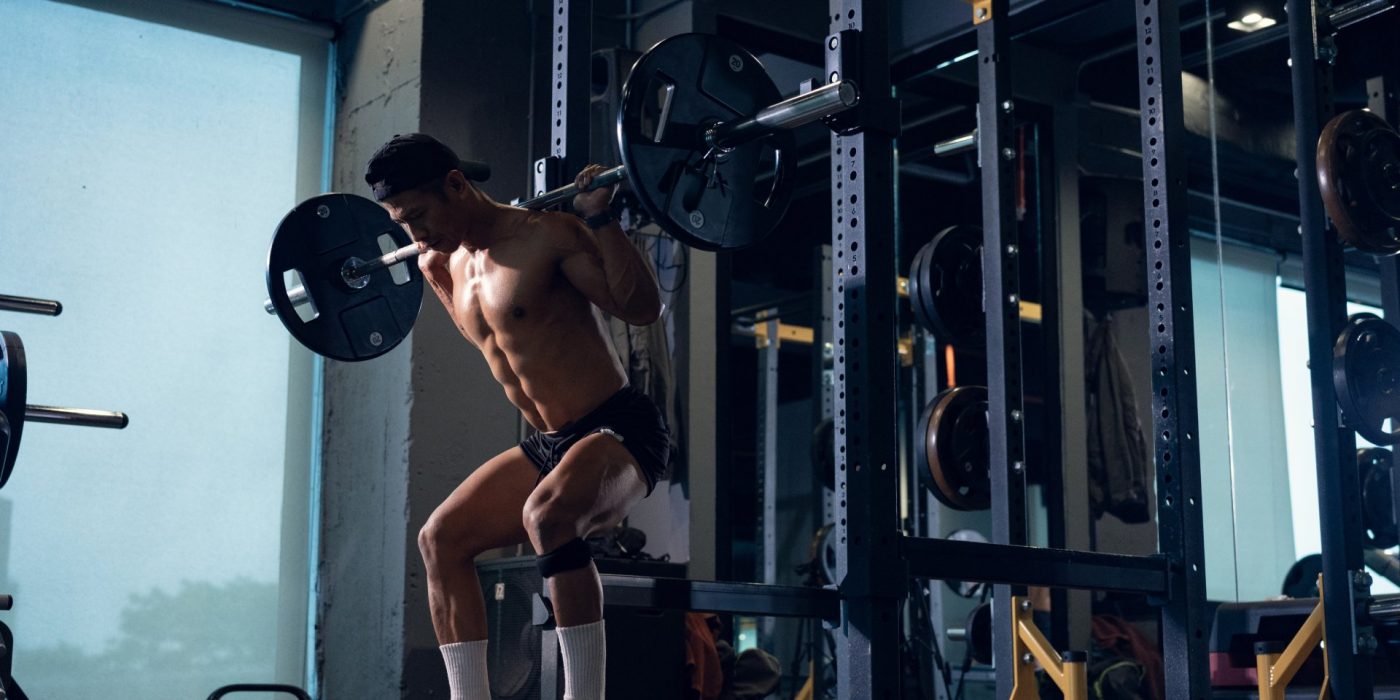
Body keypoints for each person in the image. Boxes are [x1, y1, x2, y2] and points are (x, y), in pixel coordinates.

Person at [364, 133, 670, 700]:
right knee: (440, 539)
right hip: (550, 442)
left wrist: (601, 221)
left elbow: (641, 309)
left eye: (419, 216)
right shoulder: (439, 264)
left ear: (456, 184)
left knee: (547, 517)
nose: (416, 235)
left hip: (620, 429)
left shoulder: (547, 236)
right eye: (403, 224)